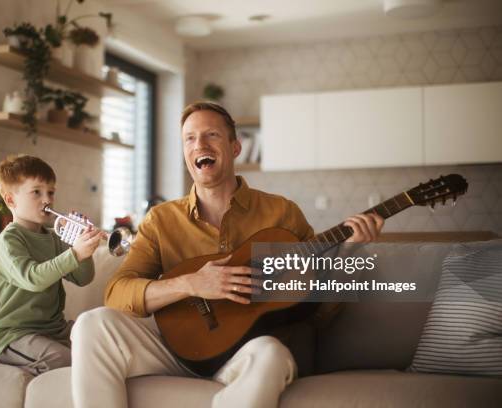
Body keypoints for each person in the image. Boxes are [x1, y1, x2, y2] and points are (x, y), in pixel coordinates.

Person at [71, 102, 384, 407]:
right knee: (91, 323)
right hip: (174, 349)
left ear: (235, 148)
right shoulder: (161, 219)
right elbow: (116, 293)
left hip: (247, 355)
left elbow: (319, 312)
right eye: (189, 138)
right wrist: (191, 284)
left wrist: (350, 252)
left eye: (212, 135)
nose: (199, 144)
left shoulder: (282, 213)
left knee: (272, 355)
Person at [0, 155, 105, 375]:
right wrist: (74, 253)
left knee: (100, 344)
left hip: (54, 329)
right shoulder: (8, 240)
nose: (47, 199)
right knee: (62, 360)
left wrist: (85, 251)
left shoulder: (53, 237)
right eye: (37, 192)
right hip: (15, 334)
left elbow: (83, 278)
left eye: (51, 192)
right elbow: (33, 279)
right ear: (11, 200)